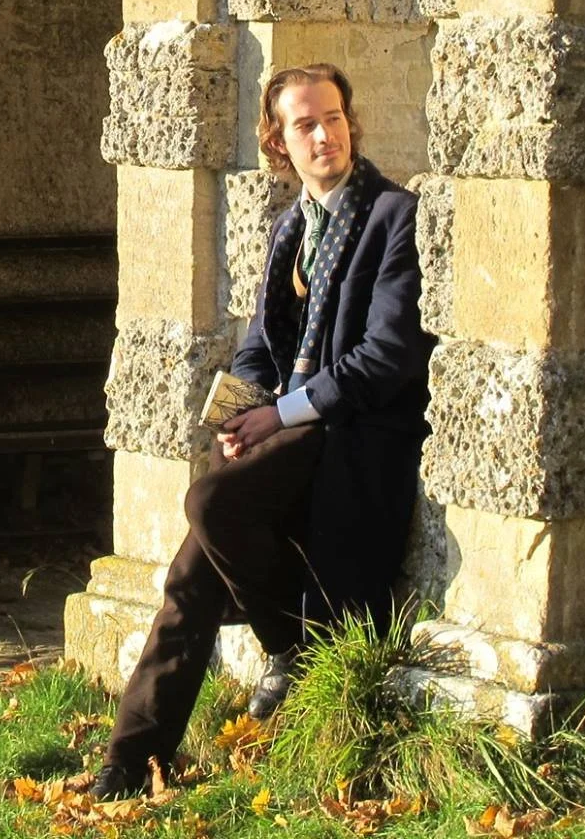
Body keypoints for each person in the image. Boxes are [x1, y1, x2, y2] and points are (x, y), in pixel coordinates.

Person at [90, 63, 432, 799]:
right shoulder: (290, 229)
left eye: (334, 118)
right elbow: (257, 346)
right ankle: (130, 758)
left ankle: (294, 645)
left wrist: (279, 412)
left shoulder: (391, 215)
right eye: (305, 124)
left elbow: (388, 356)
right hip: (291, 430)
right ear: (278, 141)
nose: (325, 135)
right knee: (191, 577)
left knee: (211, 507)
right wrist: (232, 421)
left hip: (351, 433)